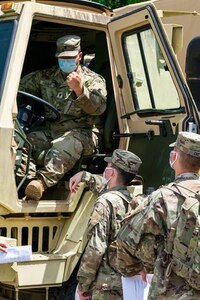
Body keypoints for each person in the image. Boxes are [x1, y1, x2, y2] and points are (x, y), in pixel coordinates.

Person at [19, 35, 107, 200]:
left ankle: (41, 183)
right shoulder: (46, 77)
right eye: (62, 58)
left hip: (84, 134)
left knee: (67, 143)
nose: (66, 62)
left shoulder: (93, 80)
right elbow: (19, 87)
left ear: (79, 56)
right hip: (53, 130)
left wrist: (80, 91)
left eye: (70, 58)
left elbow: (99, 108)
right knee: (23, 139)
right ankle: (28, 182)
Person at [116, 131, 200, 299]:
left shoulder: (162, 197)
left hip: (170, 291)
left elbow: (125, 239)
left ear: (173, 157)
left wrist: (138, 268)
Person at [69, 149, 142, 300]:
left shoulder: (105, 202)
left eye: (107, 167)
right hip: (126, 284)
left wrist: (84, 284)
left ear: (111, 173)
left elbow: (96, 248)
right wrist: (84, 176)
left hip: (105, 286)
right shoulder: (132, 200)